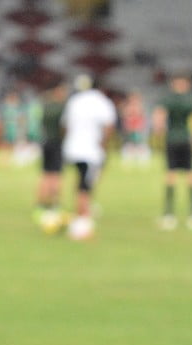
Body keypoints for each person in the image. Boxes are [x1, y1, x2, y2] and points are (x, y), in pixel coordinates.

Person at [62, 75, 117, 241]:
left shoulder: (75, 101)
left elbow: (65, 125)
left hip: (73, 148)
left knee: (80, 182)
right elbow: (108, 125)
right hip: (91, 150)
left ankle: (79, 214)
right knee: (87, 185)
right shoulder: (101, 102)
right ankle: (82, 221)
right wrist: (103, 144)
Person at [156, 74, 192, 231]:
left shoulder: (168, 100)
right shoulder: (190, 100)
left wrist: (160, 134)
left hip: (172, 139)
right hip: (186, 140)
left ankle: (169, 214)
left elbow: (159, 119)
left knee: (172, 175)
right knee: (190, 175)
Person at [33, 82, 68, 226]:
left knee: (45, 173)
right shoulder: (61, 108)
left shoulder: (45, 105)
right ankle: (54, 204)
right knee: (56, 174)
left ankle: (41, 203)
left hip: (45, 142)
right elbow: (64, 127)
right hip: (56, 143)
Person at [120, 90, 150, 164]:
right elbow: (125, 119)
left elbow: (143, 120)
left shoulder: (140, 108)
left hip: (139, 130)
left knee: (141, 146)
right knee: (129, 146)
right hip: (130, 131)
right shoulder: (127, 108)